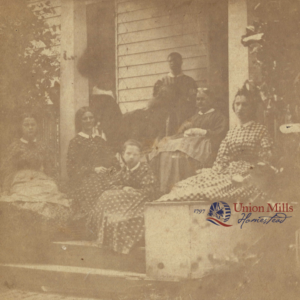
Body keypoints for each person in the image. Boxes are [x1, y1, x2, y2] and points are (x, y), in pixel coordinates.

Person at [156, 82, 273, 203]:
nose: (240, 108)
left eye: (245, 105)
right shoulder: (231, 132)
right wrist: (213, 171)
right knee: (187, 185)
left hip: (248, 177)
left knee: (211, 190)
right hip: (227, 172)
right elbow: (221, 160)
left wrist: (249, 174)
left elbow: (265, 161)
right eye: (237, 104)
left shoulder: (260, 130)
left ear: (252, 108)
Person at [150, 88, 228, 193]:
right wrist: (185, 132)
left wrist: (203, 132)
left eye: (203, 99)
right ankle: (166, 187)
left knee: (182, 153)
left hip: (204, 144)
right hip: (191, 142)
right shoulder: (195, 117)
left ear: (211, 100)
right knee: (166, 145)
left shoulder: (218, 116)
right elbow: (182, 129)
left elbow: (220, 133)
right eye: (197, 99)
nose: (199, 102)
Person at [90, 140, 158, 254]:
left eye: (135, 154)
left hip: (141, 204)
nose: (131, 157)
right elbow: (113, 184)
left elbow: (150, 191)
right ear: (123, 155)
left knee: (121, 221)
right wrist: (123, 189)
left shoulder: (145, 169)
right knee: (106, 195)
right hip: (125, 205)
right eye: (128, 154)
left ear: (140, 156)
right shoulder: (123, 170)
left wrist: (133, 192)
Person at [0, 112, 69, 223]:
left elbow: (50, 168)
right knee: (25, 196)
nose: (30, 128)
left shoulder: (43, 145)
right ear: (20, 127)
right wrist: (5, 189)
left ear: (37, 126)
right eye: (26, 125)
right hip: (20, 179)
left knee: (51, 192)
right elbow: (8, 169)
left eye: (33, 125)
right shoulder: (15, 146)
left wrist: (57, 184)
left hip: (40, 178)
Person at [66, 107, 119, 221]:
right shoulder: (75, 142)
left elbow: (113, 161)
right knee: (96, 188)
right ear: (80, 122)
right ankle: (93, 221)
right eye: (85, 118)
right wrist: (93, 170)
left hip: (105, 177)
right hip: (85, 179)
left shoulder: (100, 141)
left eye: (91, 118)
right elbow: (72, 168)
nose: (89, 120)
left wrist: (110, 170)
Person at [156, 52, 198, 135]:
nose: (173, 63)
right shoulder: (162, 81)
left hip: (184, 116)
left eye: (176, 60)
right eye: (170, 61)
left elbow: (195, 102)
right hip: (168, 118)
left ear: (181, 62)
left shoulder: (189, 81)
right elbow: (157, 102)